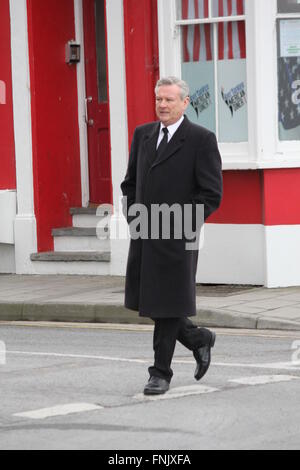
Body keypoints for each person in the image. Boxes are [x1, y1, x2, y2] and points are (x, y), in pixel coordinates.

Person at [121, 76, 223, 395]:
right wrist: (134, 216)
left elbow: (211, 193)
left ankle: (160, 372)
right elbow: (129, 184)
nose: (162, 105)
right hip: (145, 234)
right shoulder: (143, 135)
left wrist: (181, 225)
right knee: (151, 302)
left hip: (178, 236)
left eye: (169, 100)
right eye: (159, 99)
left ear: (185, 103)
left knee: (165, 303)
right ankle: (197, 338)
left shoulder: (201, 139)